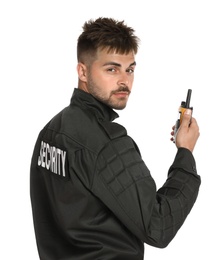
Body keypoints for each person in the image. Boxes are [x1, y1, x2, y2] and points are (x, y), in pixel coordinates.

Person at [30, 17, 201, 260]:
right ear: (83, 71)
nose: (125, 81)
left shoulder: (51, 131)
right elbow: (158, 227)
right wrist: (185, 153)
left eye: (130, 69)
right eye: (111, 69)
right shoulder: (106, 143)